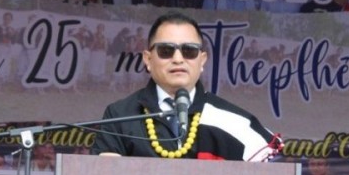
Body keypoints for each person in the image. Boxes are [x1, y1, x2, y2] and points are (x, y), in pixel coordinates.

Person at [91, 11, 279, 161]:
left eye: (189, 51)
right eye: (166, 50)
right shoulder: (119, 116)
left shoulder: (233, 121)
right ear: (148, 59)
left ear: (202, 60)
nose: (178, 59)